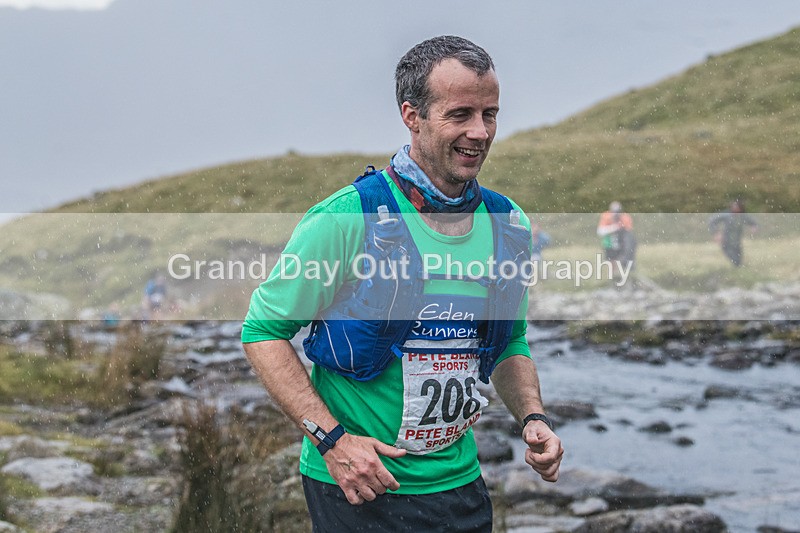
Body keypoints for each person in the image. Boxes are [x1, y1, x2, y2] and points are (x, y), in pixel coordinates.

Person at [242, 36, 563, 532]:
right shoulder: (347, 217)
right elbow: (263, 331)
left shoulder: (508, 223)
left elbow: (509, 342)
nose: (480, 132)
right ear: (412, 115)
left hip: (460, 486)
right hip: (360, 486)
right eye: (460, 115)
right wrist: (332, 441)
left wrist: (532, 418)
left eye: (490, 114)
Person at [708, 199, 758, 267]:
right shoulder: (726, 215)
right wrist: (716, 233)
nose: (734, 208)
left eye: (736, 207)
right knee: (730, 253)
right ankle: (736, 266)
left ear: (740, 208)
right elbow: (712, 221)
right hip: (726, 239)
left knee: (738, 257)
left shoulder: (743, 216)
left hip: (737, 239)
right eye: (733, 206)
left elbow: (753, 222)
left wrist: (753, 227)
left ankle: (738, 267)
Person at [596, 201, 636, 281]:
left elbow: (628, 231)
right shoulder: (606, 216)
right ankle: (612, 279)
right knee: (611, 262)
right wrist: (614, 227)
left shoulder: (625, 217)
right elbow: (600, 231)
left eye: (617, 212)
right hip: (609, 243)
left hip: (621, 243)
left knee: (621, 260)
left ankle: (622, 278)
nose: (616, 214)